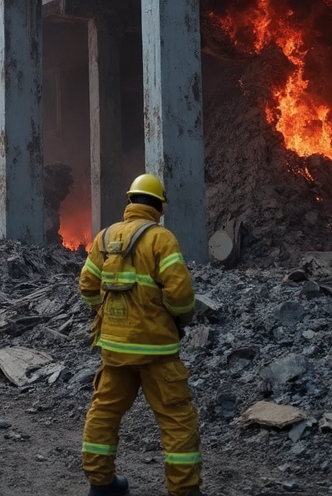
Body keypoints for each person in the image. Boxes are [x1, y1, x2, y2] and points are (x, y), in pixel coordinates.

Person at [78, 174, 201, 496]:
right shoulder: (161, 239)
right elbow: (181, 293)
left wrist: (102, 313)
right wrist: (181, 316)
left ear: (130, 201)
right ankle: (184, 491)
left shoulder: (104, 238)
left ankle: (101, 485)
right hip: (156, 350)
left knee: (103, 413)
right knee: (177, 420)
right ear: (159, 205)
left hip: (114, 349)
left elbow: (88, 287)